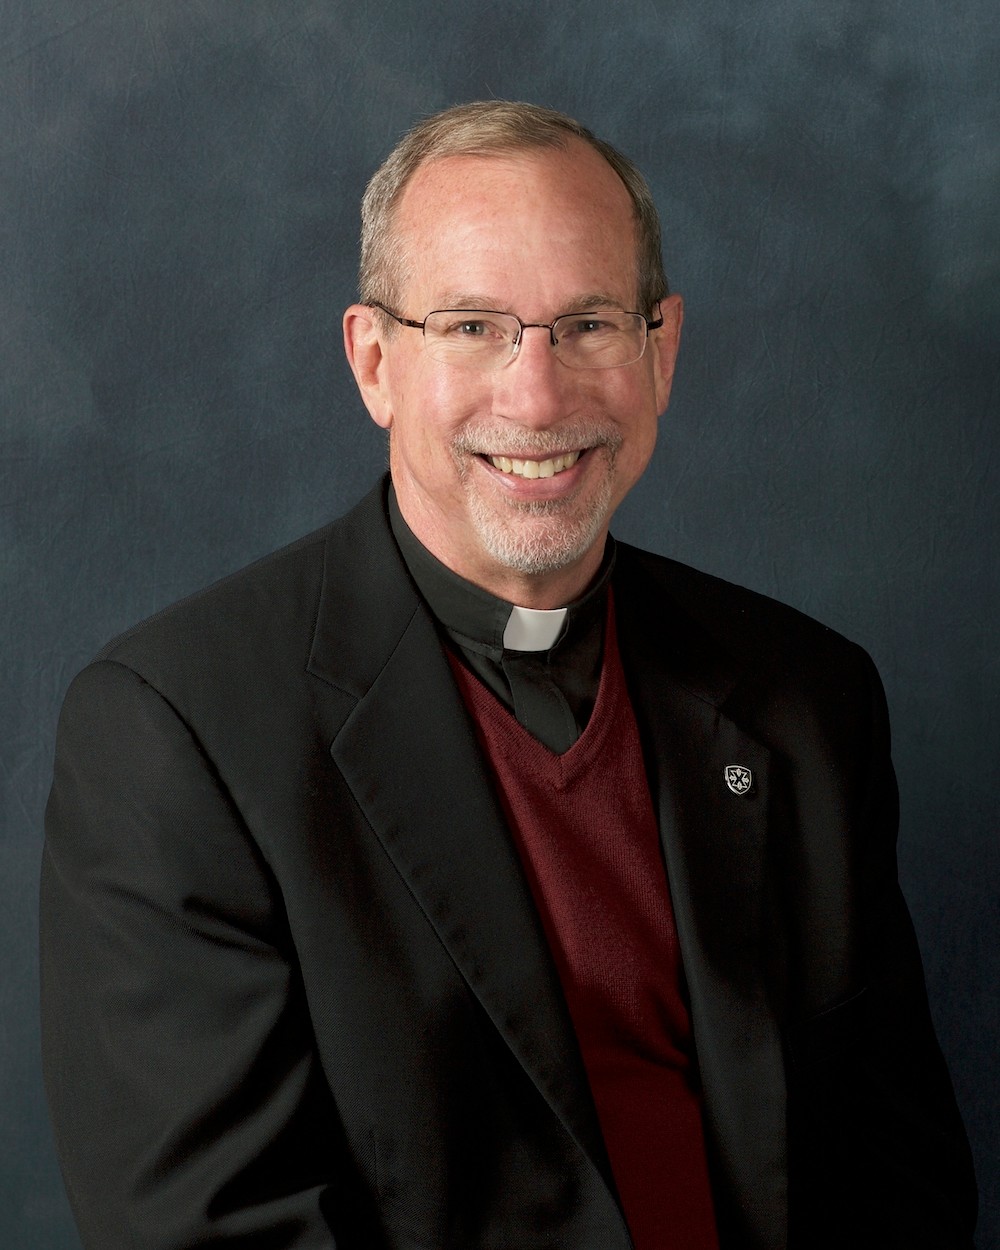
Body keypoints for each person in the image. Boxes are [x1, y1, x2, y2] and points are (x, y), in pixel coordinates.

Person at [41, 101, 976, 1250]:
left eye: (587, 323)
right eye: (474, 326)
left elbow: (896, 1181)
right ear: (374, 362)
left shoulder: (807, 695)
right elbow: (218, 1232)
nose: (536, 396)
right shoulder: (177, 733)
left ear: (660, 351)